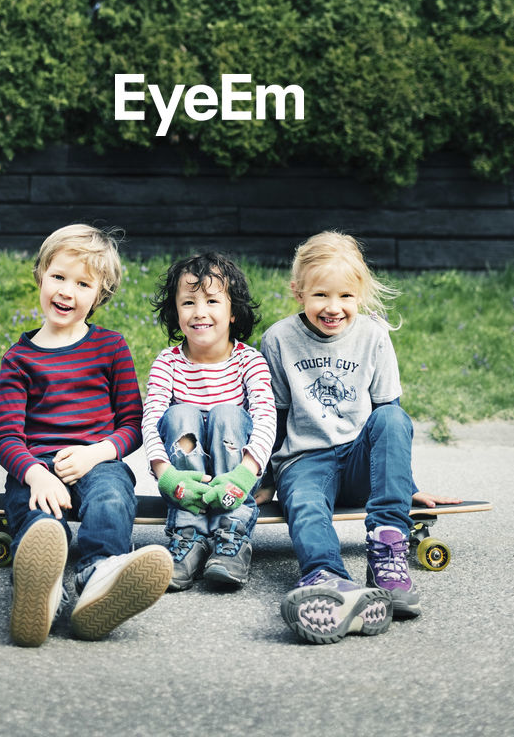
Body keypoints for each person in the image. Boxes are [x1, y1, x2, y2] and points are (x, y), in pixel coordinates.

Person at [259, 231, 459, 645]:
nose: (334, 308)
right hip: (304, 460)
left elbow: (391, 423)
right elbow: (273, 416)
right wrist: (264, 480)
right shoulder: (278, 339)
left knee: (392, 417)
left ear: (361, 295)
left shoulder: (373, 336)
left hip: (357, 459)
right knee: (307, 508)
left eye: (346, 296)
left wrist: (407, 487)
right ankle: (328, 578)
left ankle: (388, 552)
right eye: (320, 296)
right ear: (298, 293)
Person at [0, 223, 172, 646]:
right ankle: (42, 590)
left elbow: (132, 423)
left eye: (82, 283)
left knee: (111, 498)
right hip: (37, 467)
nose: (66, 291)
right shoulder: (19, 359)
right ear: (40, 275)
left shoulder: (110, 348)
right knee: (41, 522)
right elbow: (6, 438)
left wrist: (97, 454)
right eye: (58, 277)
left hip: (98, 460)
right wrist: (35, 474)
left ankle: (100, 576)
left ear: (99, 295)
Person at [142, 253, 276, 592]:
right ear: (176, 312)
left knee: (227, 413)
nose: (199, 312)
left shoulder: (249, 361)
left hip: (235, 478)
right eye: (188, 302)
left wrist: (246, 473)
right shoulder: (167, 363)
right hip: (188, 482)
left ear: (233, 313)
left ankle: (231, 536)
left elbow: (265, 418)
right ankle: (188, 536)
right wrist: (165, 474)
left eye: (212, 301)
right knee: (180, 413)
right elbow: (152, 419)